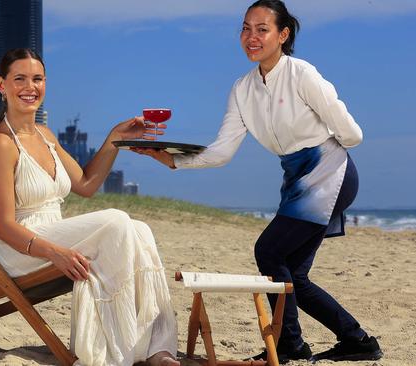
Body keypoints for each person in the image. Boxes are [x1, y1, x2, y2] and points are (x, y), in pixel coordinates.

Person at [132, 1, 382, 363]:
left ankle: (290, 346)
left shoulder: (302, 74)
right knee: (293, 275)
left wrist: (319, 151)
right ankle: (356, 341)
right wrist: (171, 160)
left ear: (283, 35)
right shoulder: (242, 89)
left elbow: (353, 134)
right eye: (246, 28)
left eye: (262, 29)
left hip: (329, 170)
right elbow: (222, 152)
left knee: (269, 252)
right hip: (295, 177)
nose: (252, 37)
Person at [0, 48, 179, 366]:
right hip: (15, 248)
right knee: (116, 221)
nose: (30, 87)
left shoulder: (44, 135)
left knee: (139, 229)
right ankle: (123, 349)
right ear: (1, 85)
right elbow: (3, 227)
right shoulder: (0, 145)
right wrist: (54, 253)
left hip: (50, 233)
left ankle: (158, 348)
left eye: (37, 79)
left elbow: (86, 184)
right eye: (20, 79)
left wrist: (115, 138)